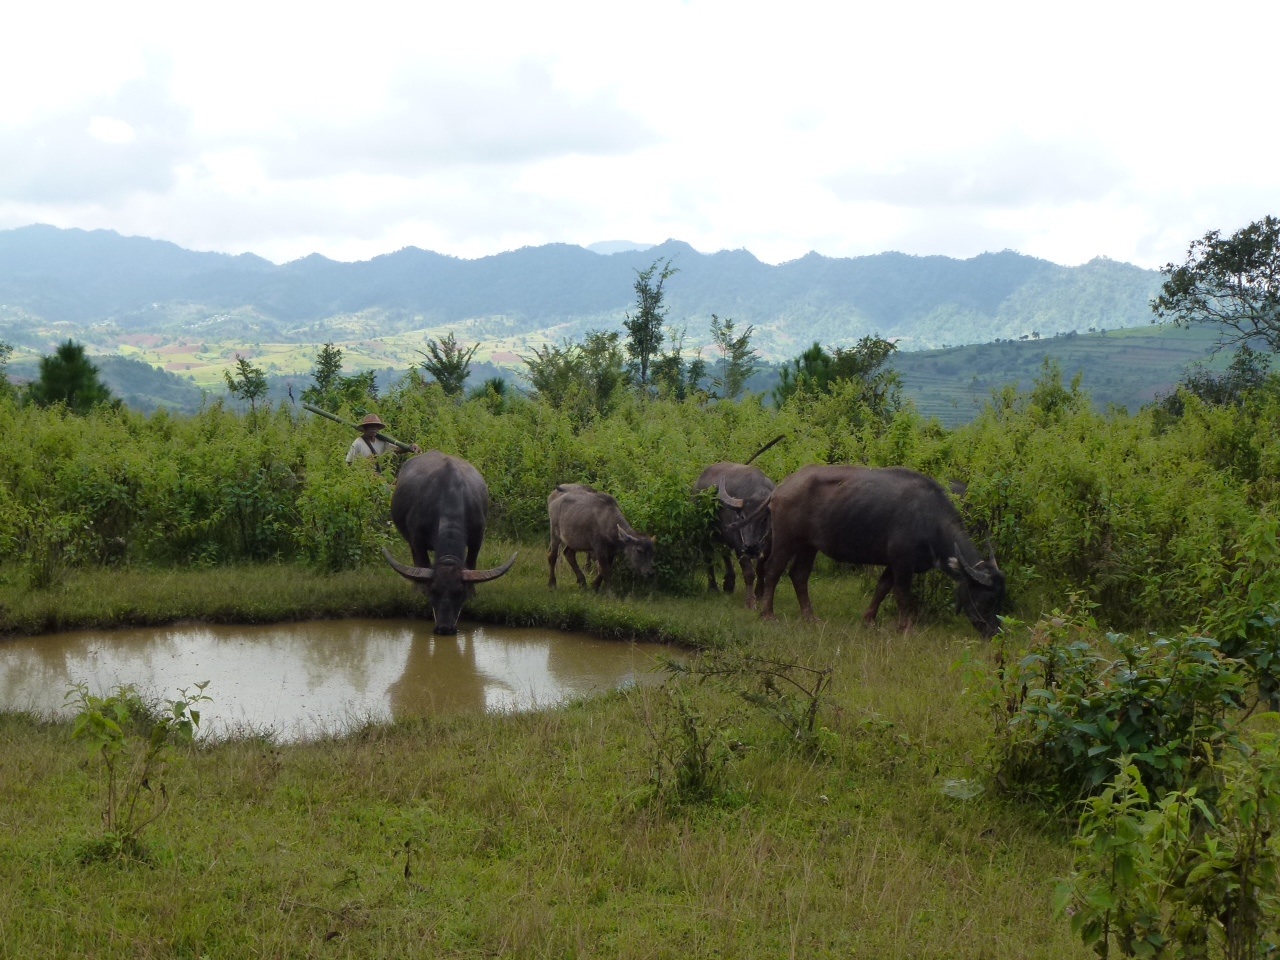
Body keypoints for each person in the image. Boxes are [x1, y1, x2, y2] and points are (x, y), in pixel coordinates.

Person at [345, 413, 421, 468]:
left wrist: (410, 446)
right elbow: (349, 463)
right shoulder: (358, 443)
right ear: (365, 428)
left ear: (378, 429)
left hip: (376, 476)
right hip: (362, 476)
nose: (373, 429)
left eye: (376, 427)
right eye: (370, 426)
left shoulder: (381, 441)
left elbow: (397, 450)